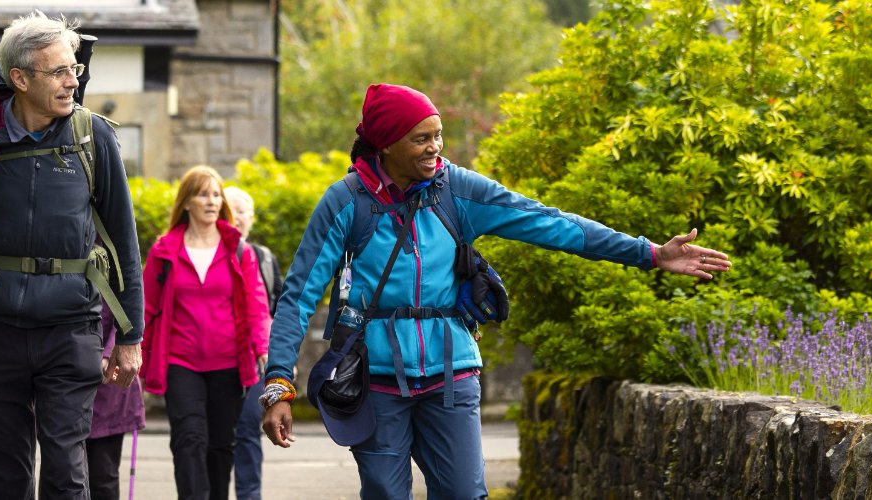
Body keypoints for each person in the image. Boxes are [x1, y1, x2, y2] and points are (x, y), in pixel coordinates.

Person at [258, 83, 733, 499]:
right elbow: (298, 295)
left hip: (451, 375)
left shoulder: (455, 189)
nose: (434, 147)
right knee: (385, 493)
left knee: (465, 492)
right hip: (374, 379)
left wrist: (648, 253)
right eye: (421, 139)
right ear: (385, 144)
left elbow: (550, 223)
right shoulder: (345, 202)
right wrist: (279, 383)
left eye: (438, 135)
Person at [0, 11, 144, 499]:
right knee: (2, 480)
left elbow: (124, 241)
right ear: (19, 78)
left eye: (74, 68)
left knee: (66, 474)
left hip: (70, 329)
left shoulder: (93, 137)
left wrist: (130, 335)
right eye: (58, 72)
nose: (72, 81)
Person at [141, 166, 271, 500]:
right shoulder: (164, 251)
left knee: (220, 447)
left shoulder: (238, 250)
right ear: (187, 202)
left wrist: (263, 349)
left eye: (216, 194)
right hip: (180, 364)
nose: (212, 201)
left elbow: (257, 305)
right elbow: (147, 310)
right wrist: (137, 359)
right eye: (203, 194)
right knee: (188, 440)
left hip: (228, 365)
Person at [222, 185, 283, 500]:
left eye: (243, 210)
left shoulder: (264, 258)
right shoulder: (211, 253)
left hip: (255, 361)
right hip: (217, 358)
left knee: (248, 430)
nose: (237, 217)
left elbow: (279, 310)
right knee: (215, 436)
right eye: (231, 210)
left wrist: (281, 361)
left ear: (252, 217)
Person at [87, 305, 146, 500]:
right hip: (66, 374)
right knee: (61, 472)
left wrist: (109, 353)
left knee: (103, 474)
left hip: (110, 382)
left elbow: (129, 308)